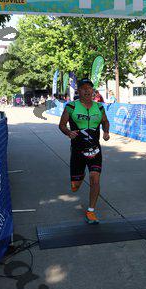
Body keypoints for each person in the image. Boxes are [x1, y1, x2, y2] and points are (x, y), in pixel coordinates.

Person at [58, 78, 110, 224]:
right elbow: (62, 125)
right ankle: (78, 178)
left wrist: (106, 132)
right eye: (83, 88)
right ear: (79, 91)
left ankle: (91, 211)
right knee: (75, 186)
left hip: (95, 150)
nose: (87, 90)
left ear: (93, 90)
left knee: (95, 178)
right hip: (78, 152)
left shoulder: (99, 107)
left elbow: (105, 121)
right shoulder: (71, 107)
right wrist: (68, 132)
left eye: (89, 88)